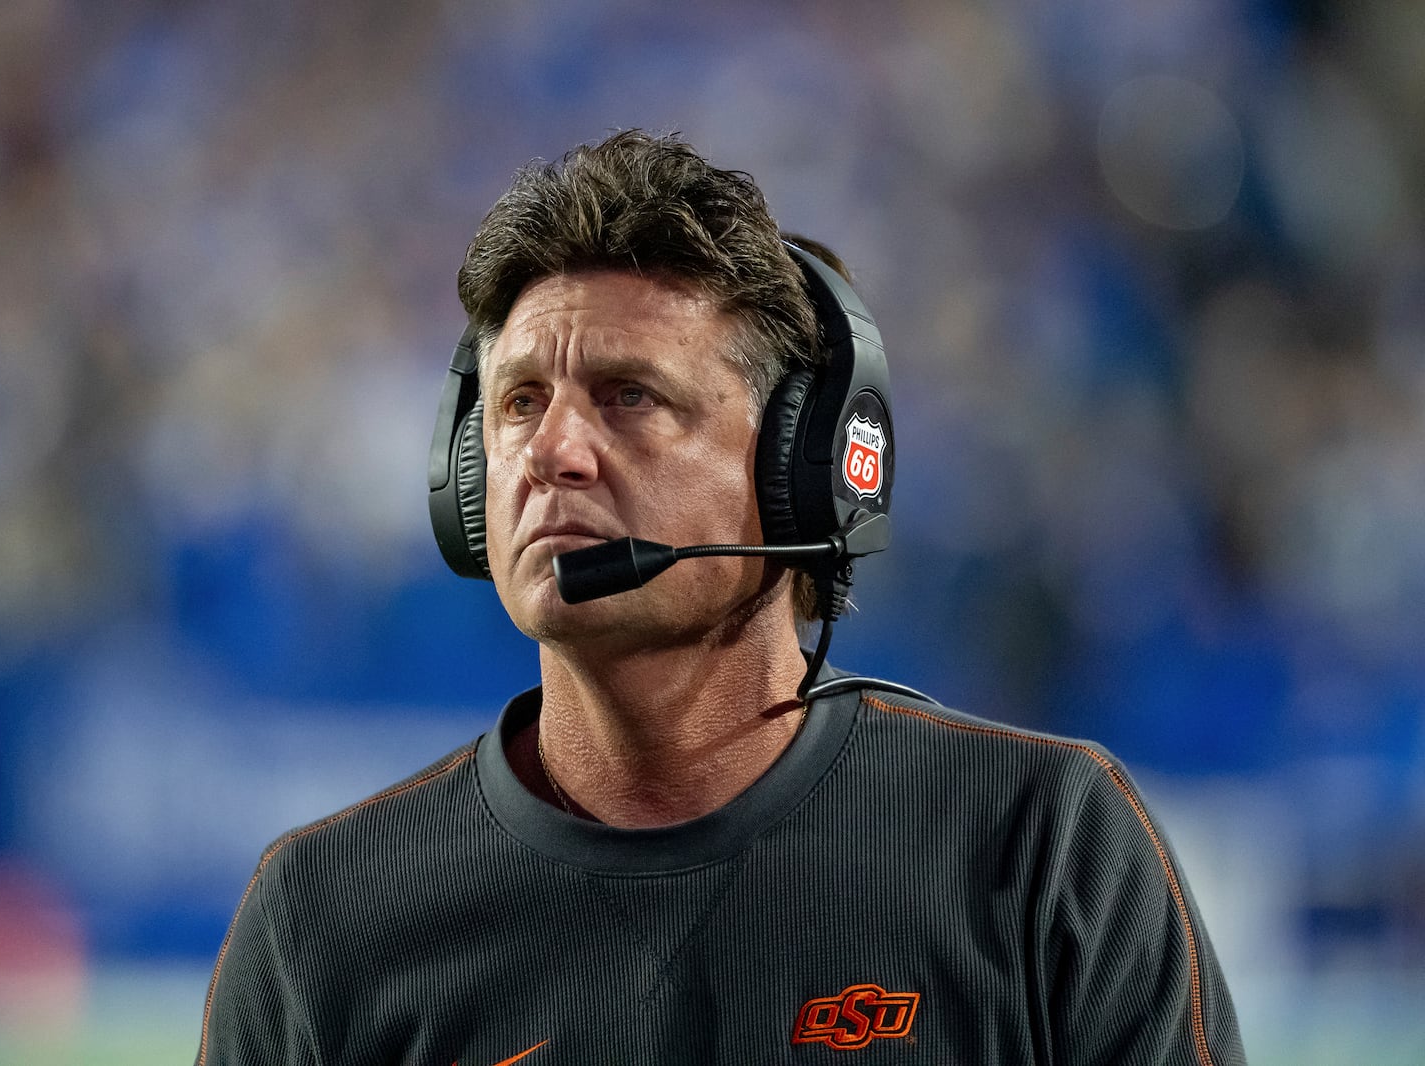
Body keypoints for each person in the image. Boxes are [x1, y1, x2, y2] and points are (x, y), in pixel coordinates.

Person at [196, 130, 1244, 1065]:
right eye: (520, 401)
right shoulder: (324, 915)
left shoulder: (1040, 848)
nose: (551, 450)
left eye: (630, 397)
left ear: (812, 465)